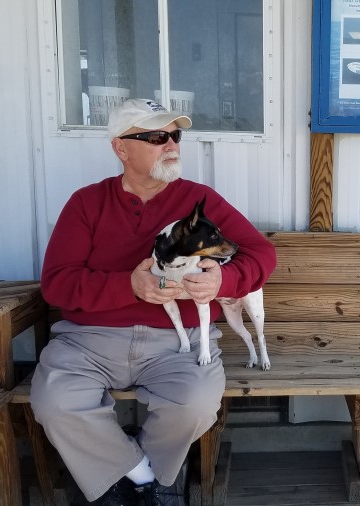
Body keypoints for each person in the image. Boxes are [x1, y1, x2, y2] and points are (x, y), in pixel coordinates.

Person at [31, 99, 276, 505]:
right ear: (121, 148)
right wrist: (128, 285)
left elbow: (261, 254)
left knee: (196, 404)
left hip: (176, 343)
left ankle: (124, 480)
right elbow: (56, 284)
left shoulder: (200, 200)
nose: (171, 145)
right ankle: (146, 478)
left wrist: (222, 278)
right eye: (156, 136)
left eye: (176, 135)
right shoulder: (87, 204)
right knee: (55, 402)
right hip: (89, 340)